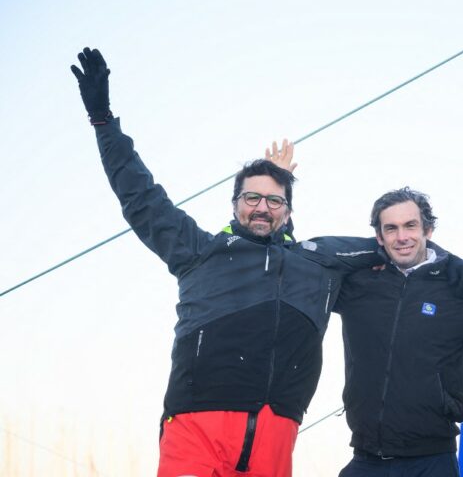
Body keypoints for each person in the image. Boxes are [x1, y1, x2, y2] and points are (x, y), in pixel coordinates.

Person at [70, 47, 385, 477]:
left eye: (274, 200)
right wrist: (103, 121)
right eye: (251, 197)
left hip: (275, 436)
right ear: (234, 203)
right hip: (195, 429)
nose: (262, 207)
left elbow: (397, 243)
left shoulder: (318, 264)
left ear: (288, 211)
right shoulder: (199, 251)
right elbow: (140, 197)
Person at [334, 187, 463, 477]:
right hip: (365, 459)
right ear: (379, 237)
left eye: (410, 226)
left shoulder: (458, 290)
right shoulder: (358, 284)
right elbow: (302, 265)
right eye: (391, 228)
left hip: (431, 461)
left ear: (428, 229)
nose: (402, 237)